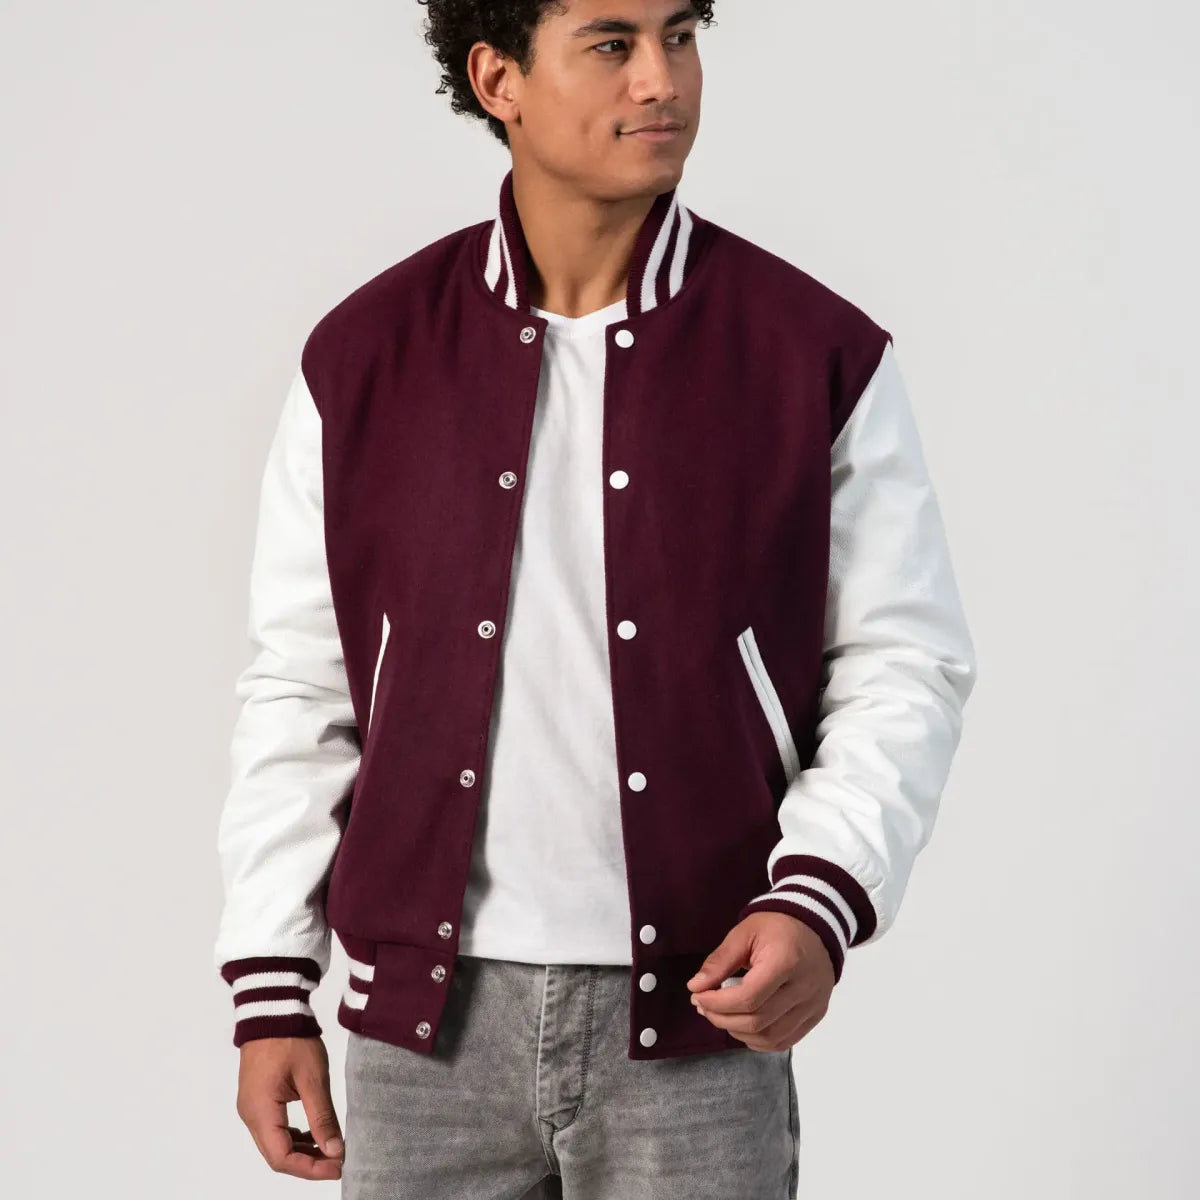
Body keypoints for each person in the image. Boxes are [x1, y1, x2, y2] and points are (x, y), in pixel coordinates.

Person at [213, 2, 978, 1196]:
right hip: (424, 1033)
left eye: (682, 35)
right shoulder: (365, 359)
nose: (662, 80)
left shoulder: (810, 352)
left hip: (702, 1013)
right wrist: (271, 983)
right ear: (499, 79)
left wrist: (821, 893)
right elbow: (302, 688)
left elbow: (902, 664)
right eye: (614, 44)